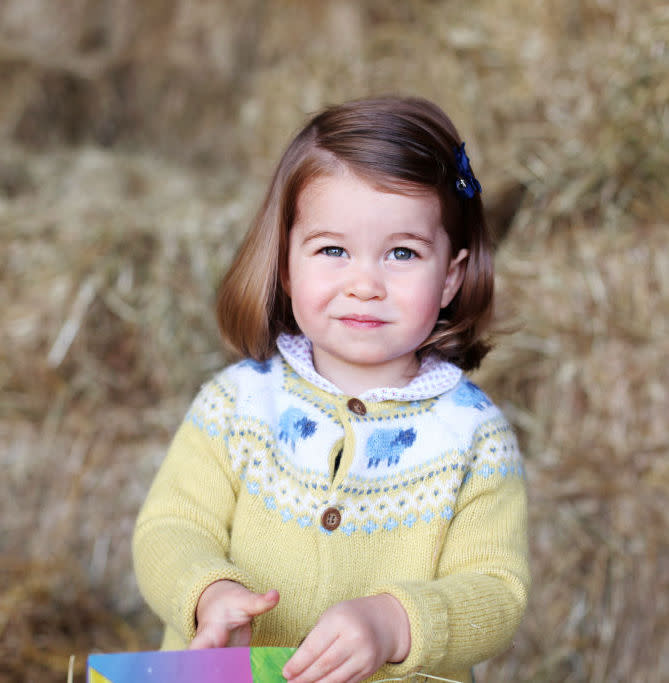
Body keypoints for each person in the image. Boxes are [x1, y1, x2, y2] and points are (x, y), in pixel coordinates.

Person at [132, 96, 529, 683]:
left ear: (450, 276)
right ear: (287, 266)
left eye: (402, 253)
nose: (365, 284)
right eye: (333, 250)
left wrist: (396, 622)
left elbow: (497, 590)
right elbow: (170, 527)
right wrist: (207, 592)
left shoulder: (473, 436)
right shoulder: (237, 404)